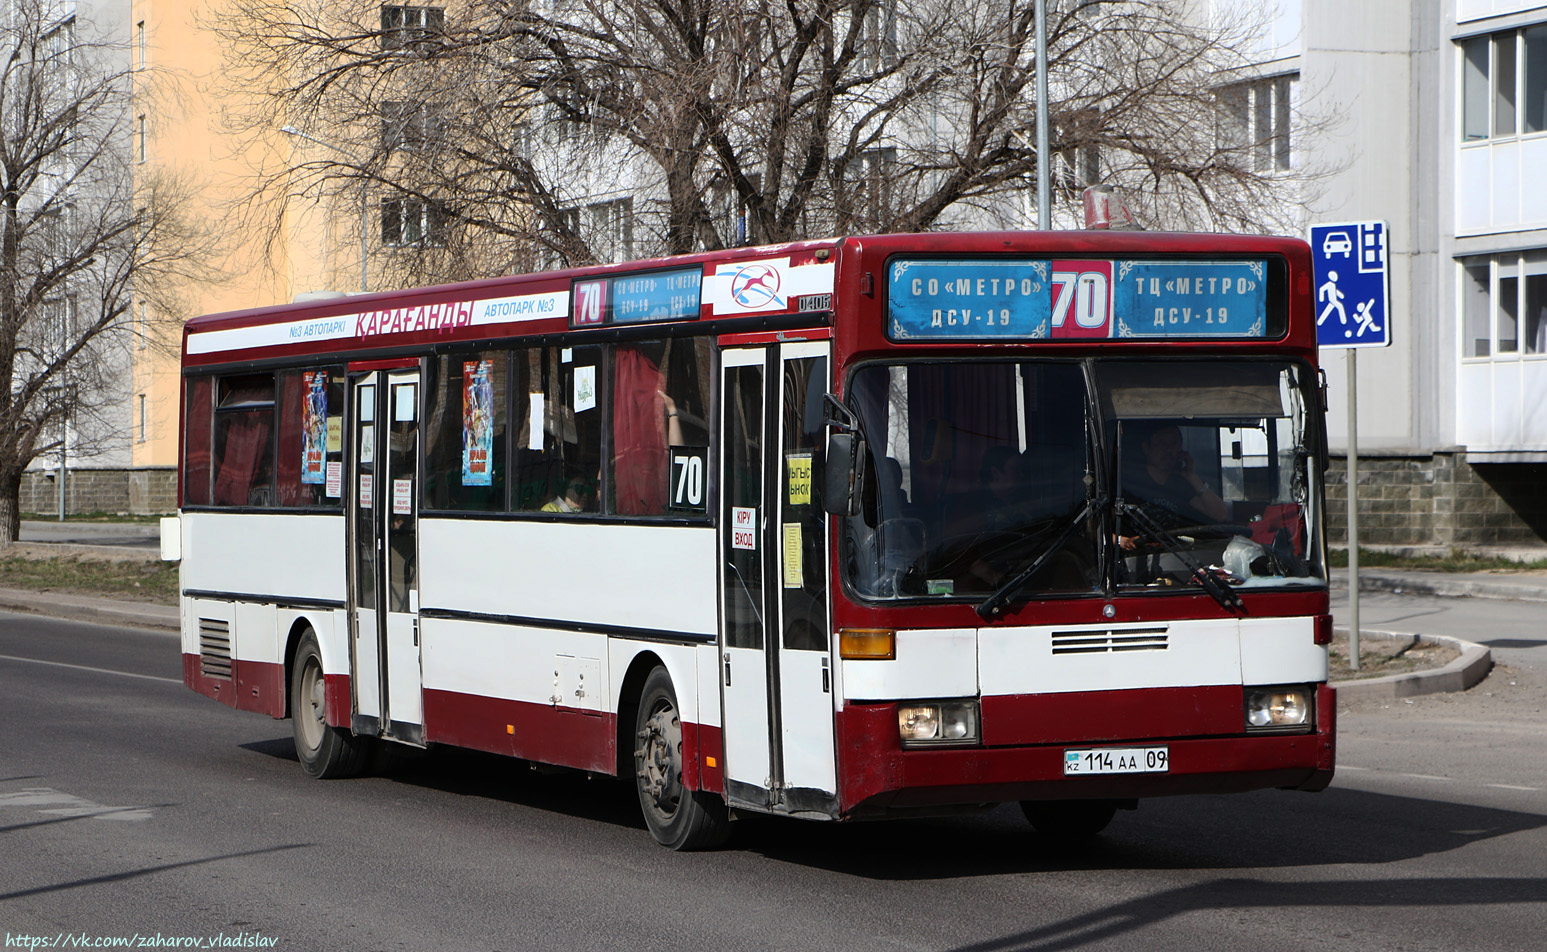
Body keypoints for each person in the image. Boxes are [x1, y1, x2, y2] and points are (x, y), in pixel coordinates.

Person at [1119, 423, 1228, 549]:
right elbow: (1097, 528)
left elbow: (1220, 515)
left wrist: (1191, 476)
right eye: (1161, 442)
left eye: (1174, 443)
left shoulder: (1181, 485)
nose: (1169, 449)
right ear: (1146, 448)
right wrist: (1122, 541)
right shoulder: (1129, 484)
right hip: (1137, 560)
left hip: (1175, 559)